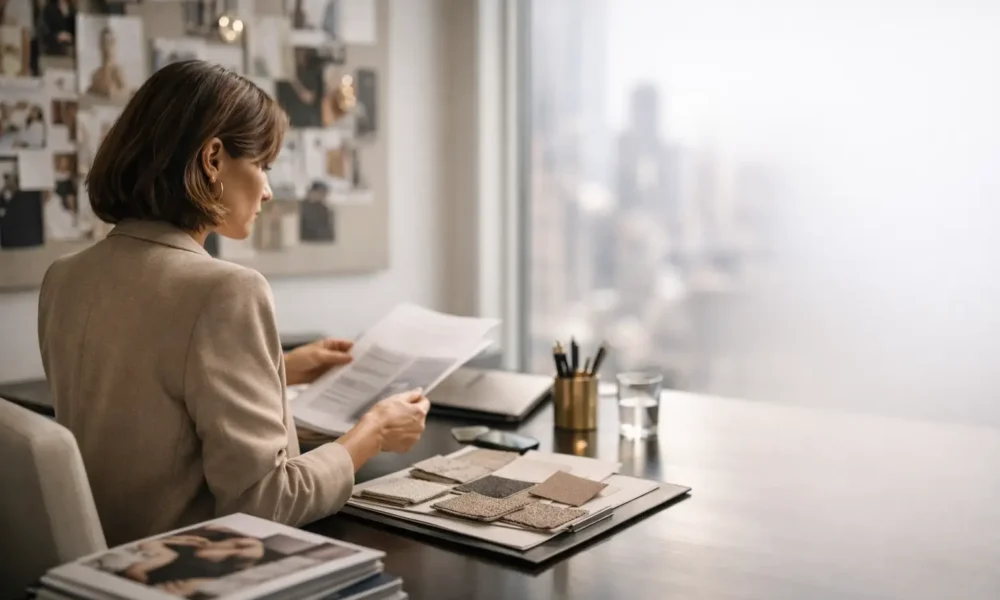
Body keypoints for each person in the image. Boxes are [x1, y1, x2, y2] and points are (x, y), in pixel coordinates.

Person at [38, 60, 430, 547]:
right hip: (198, 569)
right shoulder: (226, 290)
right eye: (262, 165)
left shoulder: (64, 278)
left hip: (107, 567)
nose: (267, 188)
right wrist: (371, 433)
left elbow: (145, 398)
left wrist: (283, 366)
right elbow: (264, 502)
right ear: (213, 158)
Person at [87, 26, 128, 101]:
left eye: (110, 43)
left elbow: (126, 93)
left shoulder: (118, 72)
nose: (107, 48)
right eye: (104, 43)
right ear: (100, 46)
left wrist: (114, 94)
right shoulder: (96, 75)